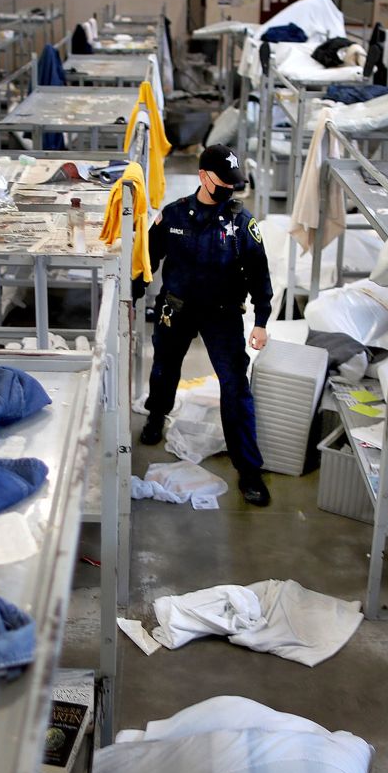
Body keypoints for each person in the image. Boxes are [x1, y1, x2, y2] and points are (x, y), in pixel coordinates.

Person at [137, 145, 273, 506]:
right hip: (176, 308)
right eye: (223, 182)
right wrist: (135, 288)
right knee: (165, 367)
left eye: (233, 183)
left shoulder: (241, 224)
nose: (229, 189)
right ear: (203, 177)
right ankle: (156, 415)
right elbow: (149, 256)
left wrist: (261, 319)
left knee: (235, 386)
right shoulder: (174, 215)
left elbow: (259, 273)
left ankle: (249, 469)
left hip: (223, 314)